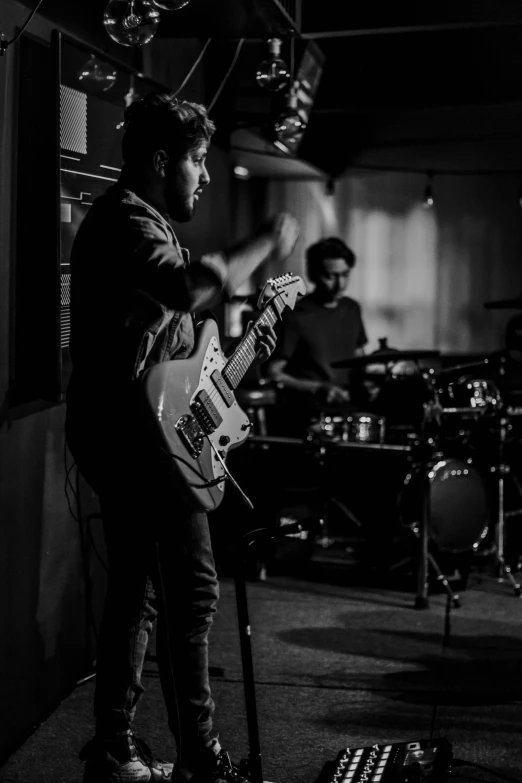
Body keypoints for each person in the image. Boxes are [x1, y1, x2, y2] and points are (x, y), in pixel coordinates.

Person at [65, 93, 299, 783]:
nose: (204, 175)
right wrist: (266, 240)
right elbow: (184, 289)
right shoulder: (126, 224)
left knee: (138, 592)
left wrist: (252, 336)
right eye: (198, 161)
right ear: (162, 160)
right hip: (131, 441)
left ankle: (115, 746)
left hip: (144, 433)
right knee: (193, 591)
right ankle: (197, 756)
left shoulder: (147, 223)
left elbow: (180, 364)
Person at [267, 237, 368, 434]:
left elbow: (360, 358)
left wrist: (369, 382)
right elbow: (274, 374)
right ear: (312, 275)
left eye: (345, 275)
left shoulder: (352, 308)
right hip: (310, 414)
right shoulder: (295, 314)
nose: (340, 284)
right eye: (331, 276)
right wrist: (319, 388)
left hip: (350, 410)